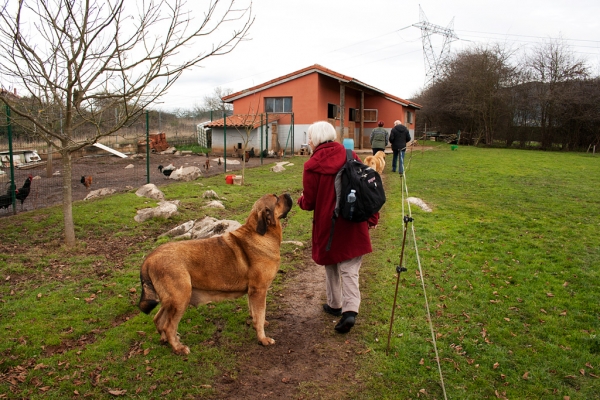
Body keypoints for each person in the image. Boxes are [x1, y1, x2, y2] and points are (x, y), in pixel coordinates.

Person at [297, 121, 378, 334]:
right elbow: (364, 186)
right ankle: (349, 310)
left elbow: (310, 202)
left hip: (328, 224)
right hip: (353, 221)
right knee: (350, 267)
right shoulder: (351, 155)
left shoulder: (311, 165)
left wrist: (301, 201)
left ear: (314, 139)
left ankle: (335, 304)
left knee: (331, 262)